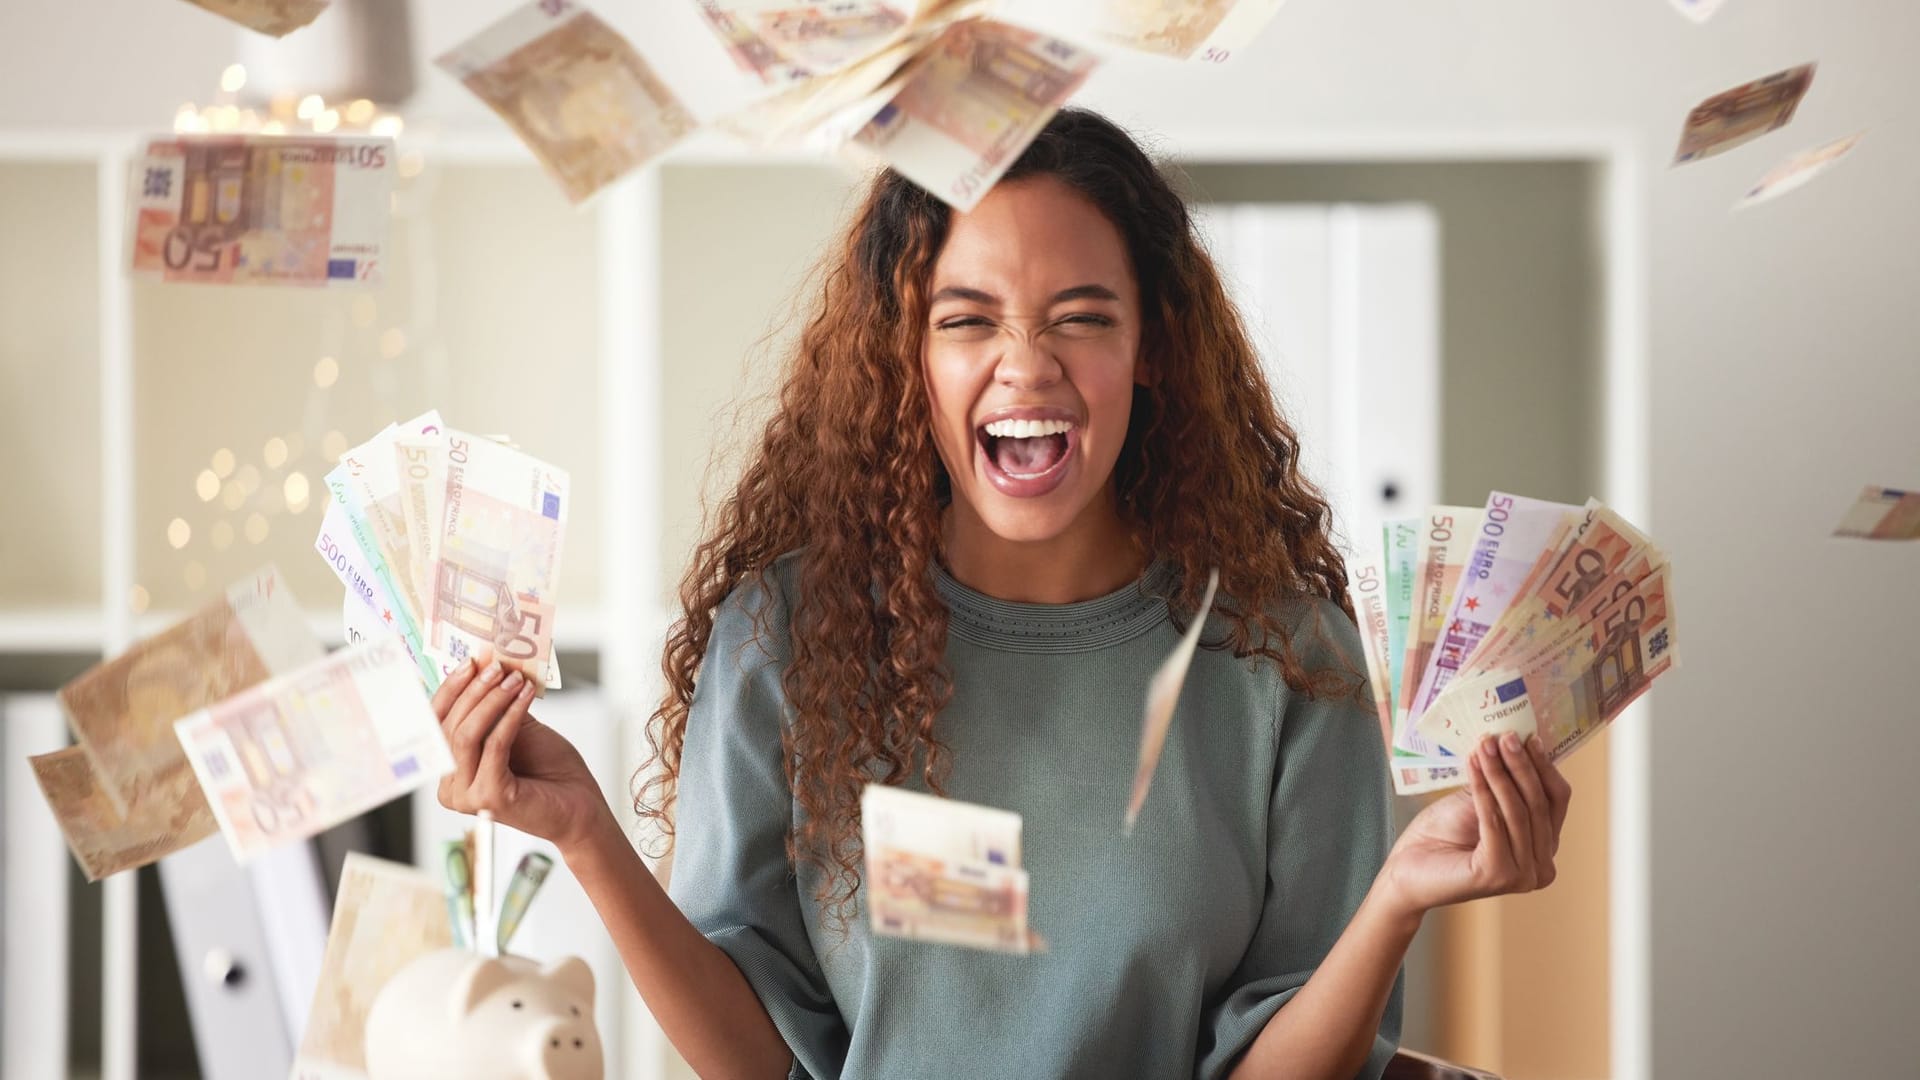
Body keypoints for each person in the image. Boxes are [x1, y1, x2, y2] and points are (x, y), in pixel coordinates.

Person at [431, 108, 1573, 1080]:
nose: (1026, 365)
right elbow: (761, 1060)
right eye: (967, 319)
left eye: (1081, 318)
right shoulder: (786, 638)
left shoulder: (1290, 662)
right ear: (905, 356)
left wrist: (1396, 904)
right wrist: (583, 832)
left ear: (1154, 348)